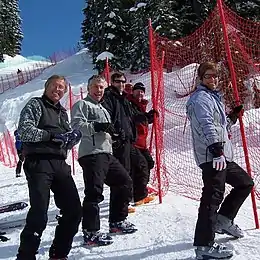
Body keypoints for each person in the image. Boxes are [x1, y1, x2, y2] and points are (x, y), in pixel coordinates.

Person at [186, 61, 254, 259]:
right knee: (211, 198)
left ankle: (223, 220)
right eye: (208, 76)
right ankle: (203, 245)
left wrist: (231, 117)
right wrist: (215, 148)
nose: (213, 79)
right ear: (201, 78)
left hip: (222, 155)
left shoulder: (213, 98)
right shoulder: (200, 99)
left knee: (245, 183)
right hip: (212, 155)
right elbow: (206, 124)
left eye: (215, 76)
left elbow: (219, 126)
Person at [16, 75, 82, 260]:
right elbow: (25, 131)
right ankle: (25, 256)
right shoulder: (36, 105)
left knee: (74, 211)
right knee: (39, 214)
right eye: (55, 85)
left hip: (59, 164)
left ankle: (59, 253)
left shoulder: (62, 112)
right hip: (39, 162)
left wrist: (71, 138)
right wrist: (52, 136)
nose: (58, 89)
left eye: (62, 88)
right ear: (47, 86)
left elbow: (64, 141)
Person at [71, 75, 137, 247]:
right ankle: (91, 232)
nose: (99, 90)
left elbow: (106, 131)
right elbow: (76, 126)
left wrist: (114, 135)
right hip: (91, 154)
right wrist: (97, 127)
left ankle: (117, 221)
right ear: (88, 87)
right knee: (94, 192)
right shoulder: (82, 105)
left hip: (107, 153)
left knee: (124, 181)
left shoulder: (104, 109)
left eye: (101, 87)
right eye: (95, 87)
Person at [102, 72, 157, 212]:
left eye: (122, 81)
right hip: (119, 141)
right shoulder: (109, 97)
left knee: (141, 165)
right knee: (124, 173)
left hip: (128, 139)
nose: (120, 84)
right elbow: (108, 117)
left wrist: (147, 116)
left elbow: (132, 116)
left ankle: (136, 196)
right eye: (117, 81)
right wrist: (115, 132)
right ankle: (123, 205)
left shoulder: (122, 99)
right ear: (112, 82)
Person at [127, 82, 156, 205]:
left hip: (142, 143)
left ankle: (140, 189)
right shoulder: (129, 103)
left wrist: (150, 117)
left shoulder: (140, 105)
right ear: (133, 92)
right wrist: (143, 116)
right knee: (141, 166)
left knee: (148, 163)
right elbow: (133, 118)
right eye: (137, 90)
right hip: (133, 143)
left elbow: (142, 120)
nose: (140, 93)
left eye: (142, 91)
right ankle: (139, 195)